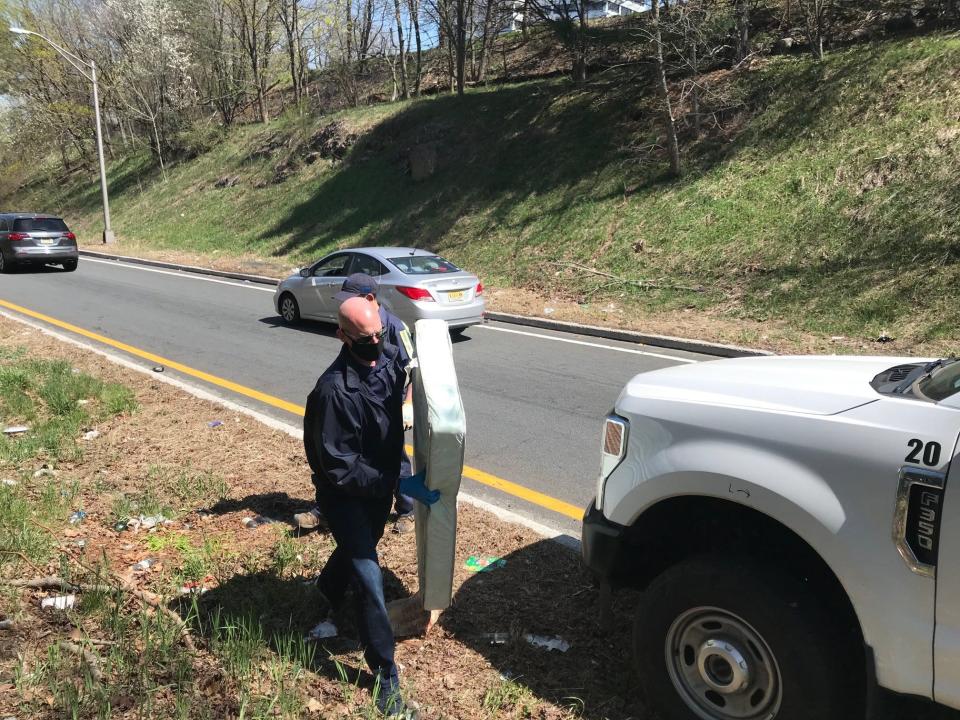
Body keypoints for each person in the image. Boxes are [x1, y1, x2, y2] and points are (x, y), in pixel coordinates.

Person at [303, 297, 439, 718]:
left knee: (364, 544)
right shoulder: (332, 392)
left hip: (378, 488)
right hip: (344, 496)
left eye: (380, 333)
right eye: (366, 338)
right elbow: (340, 469)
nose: (377, 342)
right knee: (368, 575)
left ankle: (325, 590)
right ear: (342, 336)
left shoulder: (387, 360)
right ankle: (386, 677)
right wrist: (399, 482)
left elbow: (413, 376)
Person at [295, 273, 418, 534]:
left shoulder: (395, 328)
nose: (374, 341)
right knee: (351, 455)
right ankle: (327, 510)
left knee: (396, 459)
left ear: (369, 298)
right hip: (361, 401)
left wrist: (408, 404)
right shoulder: (353, 326)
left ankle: (407, 510)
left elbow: (414, 370)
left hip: (388, 405)